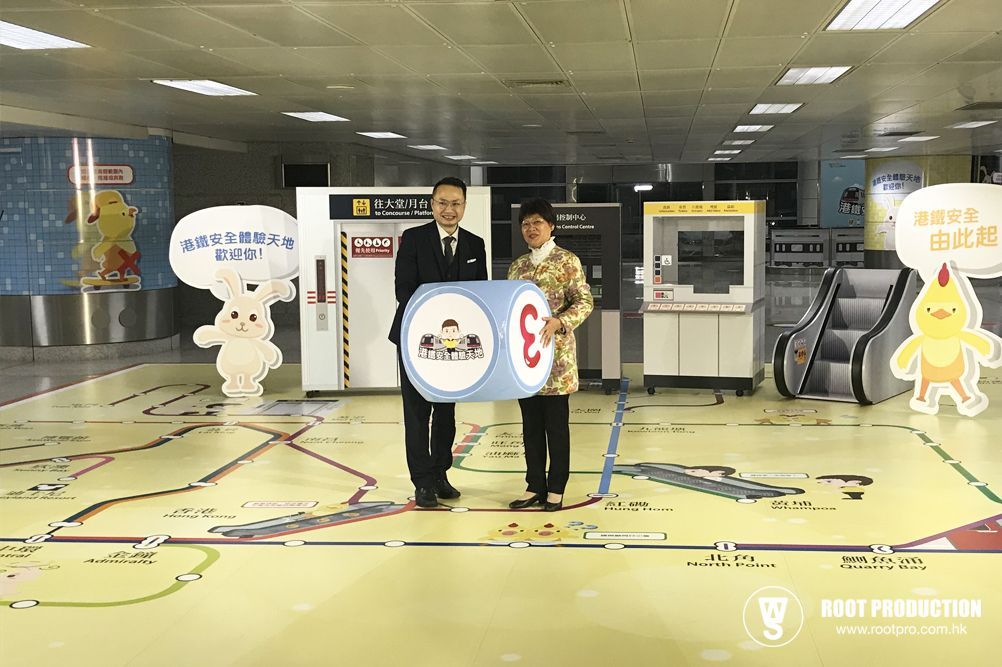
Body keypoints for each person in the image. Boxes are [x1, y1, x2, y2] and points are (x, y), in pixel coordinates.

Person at [389, 177, 488, 508]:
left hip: (454, 346)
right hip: (416, 340)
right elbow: (403, 289)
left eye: (456, 203)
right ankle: (422, 483)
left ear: (464, 206)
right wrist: (437, 312)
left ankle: (440, 473)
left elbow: (480, 296)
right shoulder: (414, 239)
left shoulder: (475, 244)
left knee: (446, 413)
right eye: (442, 203)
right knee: (417, 413)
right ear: (432, 205)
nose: (449, 209)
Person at [507, 197, 593, 512]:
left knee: (556, 427)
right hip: (524, 361)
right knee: (530, 426)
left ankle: (556, 488)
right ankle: (534, 486)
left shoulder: (567, 261)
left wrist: (560, 321)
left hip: (557, 360)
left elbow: (584, 302)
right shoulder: (517, 266)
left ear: (551, 226)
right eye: (526, 224)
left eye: (537, 223)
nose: (531, 229)